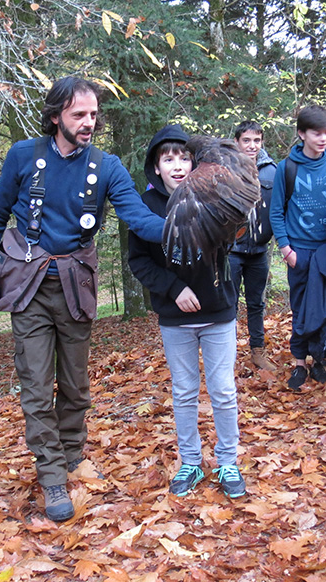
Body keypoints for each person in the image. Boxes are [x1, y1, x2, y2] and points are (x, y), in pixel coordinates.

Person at [0, 77, 166, 521]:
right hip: (27, 286)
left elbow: (139, 218)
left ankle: (72, 454)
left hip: (76, 285)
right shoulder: (23, 156)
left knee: (75, 385)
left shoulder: (106, 166)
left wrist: (182, 229)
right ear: (56, 116)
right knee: (36, 384)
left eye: (93, 114)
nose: (89, 123)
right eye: (79, 115)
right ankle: (52, 476)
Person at [128, 124, 245, 498]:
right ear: (156, 166)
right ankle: (191, 463)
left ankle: (228, 463)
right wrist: (173, 288)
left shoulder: (216, 192)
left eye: (184, 157)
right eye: (168, 158)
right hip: (176, 318)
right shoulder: (146, 207)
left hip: (218, 311)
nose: (177, 165)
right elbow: (138, 262)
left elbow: (239, 237)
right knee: (183, 392)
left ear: (196, 163)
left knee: (224, 391)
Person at [269, 105, 326, 390]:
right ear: (302, 133)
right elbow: (276, 211)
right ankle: (299, 363)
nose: (323, 138)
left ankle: (318, 362)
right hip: (299, 252)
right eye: (317, 133)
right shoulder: (286, 168)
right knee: (301, 308)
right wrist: (286, 249)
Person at [231, 121, 277, 371]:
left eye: (256, 140)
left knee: (256, 303)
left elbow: (279, 209)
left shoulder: (272, 171)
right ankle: (227, 353)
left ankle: (258, 351)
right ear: (237, 141)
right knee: (227, 301)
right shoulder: (225, 169)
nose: (252, 146)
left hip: (259, 251)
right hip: (231, 251)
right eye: (246, 140)